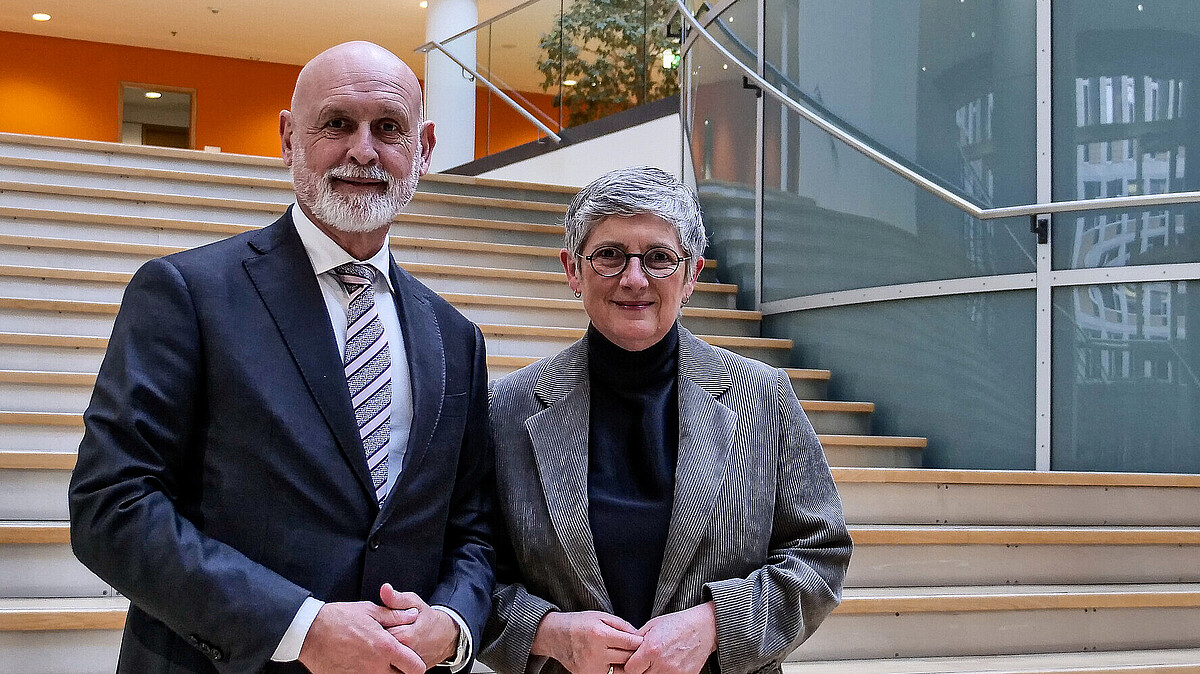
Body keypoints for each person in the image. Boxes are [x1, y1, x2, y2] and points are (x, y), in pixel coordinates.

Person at [68, 41, 494, 674]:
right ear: (289, 138)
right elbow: (113, 505)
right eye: (337, 124)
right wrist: (301, 628)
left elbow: (474, 529)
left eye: (389, 128)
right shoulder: (186, 294)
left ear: (424, 148)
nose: (363, 151)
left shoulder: (455, 336)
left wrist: (453, 624)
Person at [481, 166, 852, 674]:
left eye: (658, 257)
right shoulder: (508, 408)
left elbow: (821, 554)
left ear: (692, 274)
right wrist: (549, 633)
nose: (634, 279)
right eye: (609, 255)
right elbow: (472, 568)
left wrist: (717, 625)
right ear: (573, 270)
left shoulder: (763, 397)